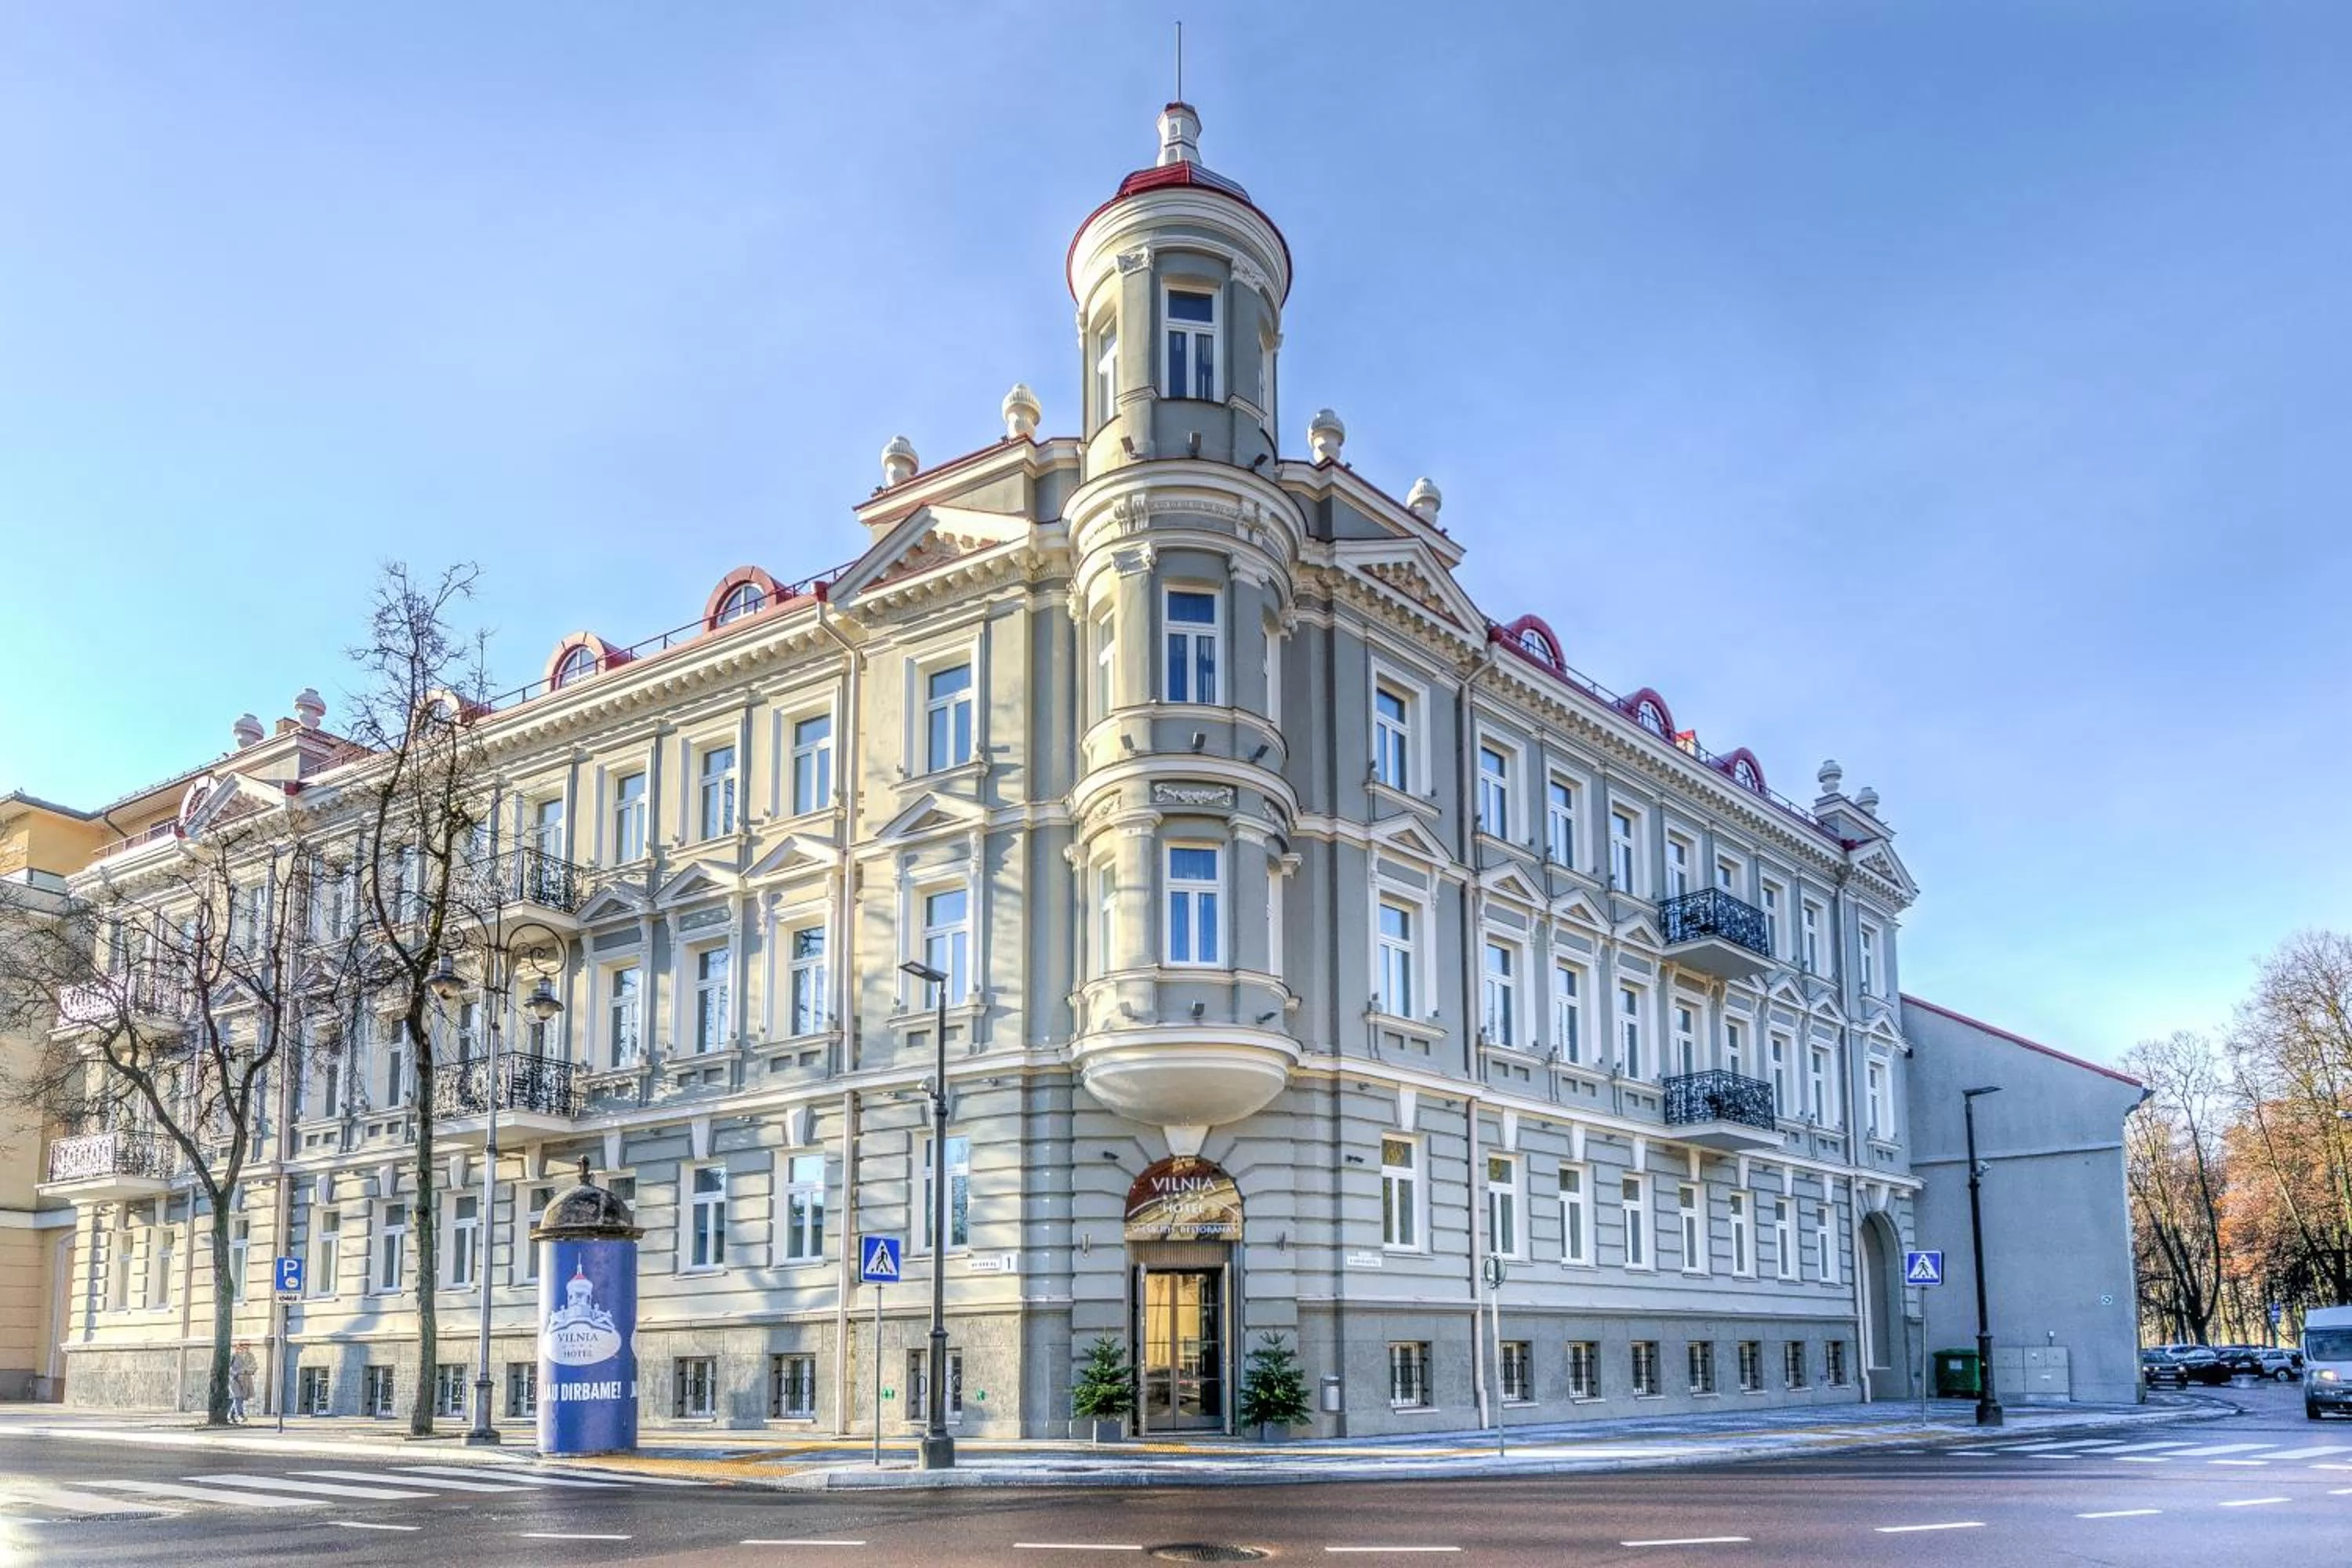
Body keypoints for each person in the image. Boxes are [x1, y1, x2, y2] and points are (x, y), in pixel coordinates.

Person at [227, 1341, 256, 1424]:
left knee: (240, 1398)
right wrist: (234, 1373)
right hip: (234, 1379)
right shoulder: (234, 1356)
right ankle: (240, 1415)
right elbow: (228, 1367)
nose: (245, 1348)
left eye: (247, 1346)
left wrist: (248, 1371)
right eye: (243, 1346)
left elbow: (254, 1366)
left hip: (246, 1379)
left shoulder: (250, 1356)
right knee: (237, 1397)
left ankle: (231, 1415)